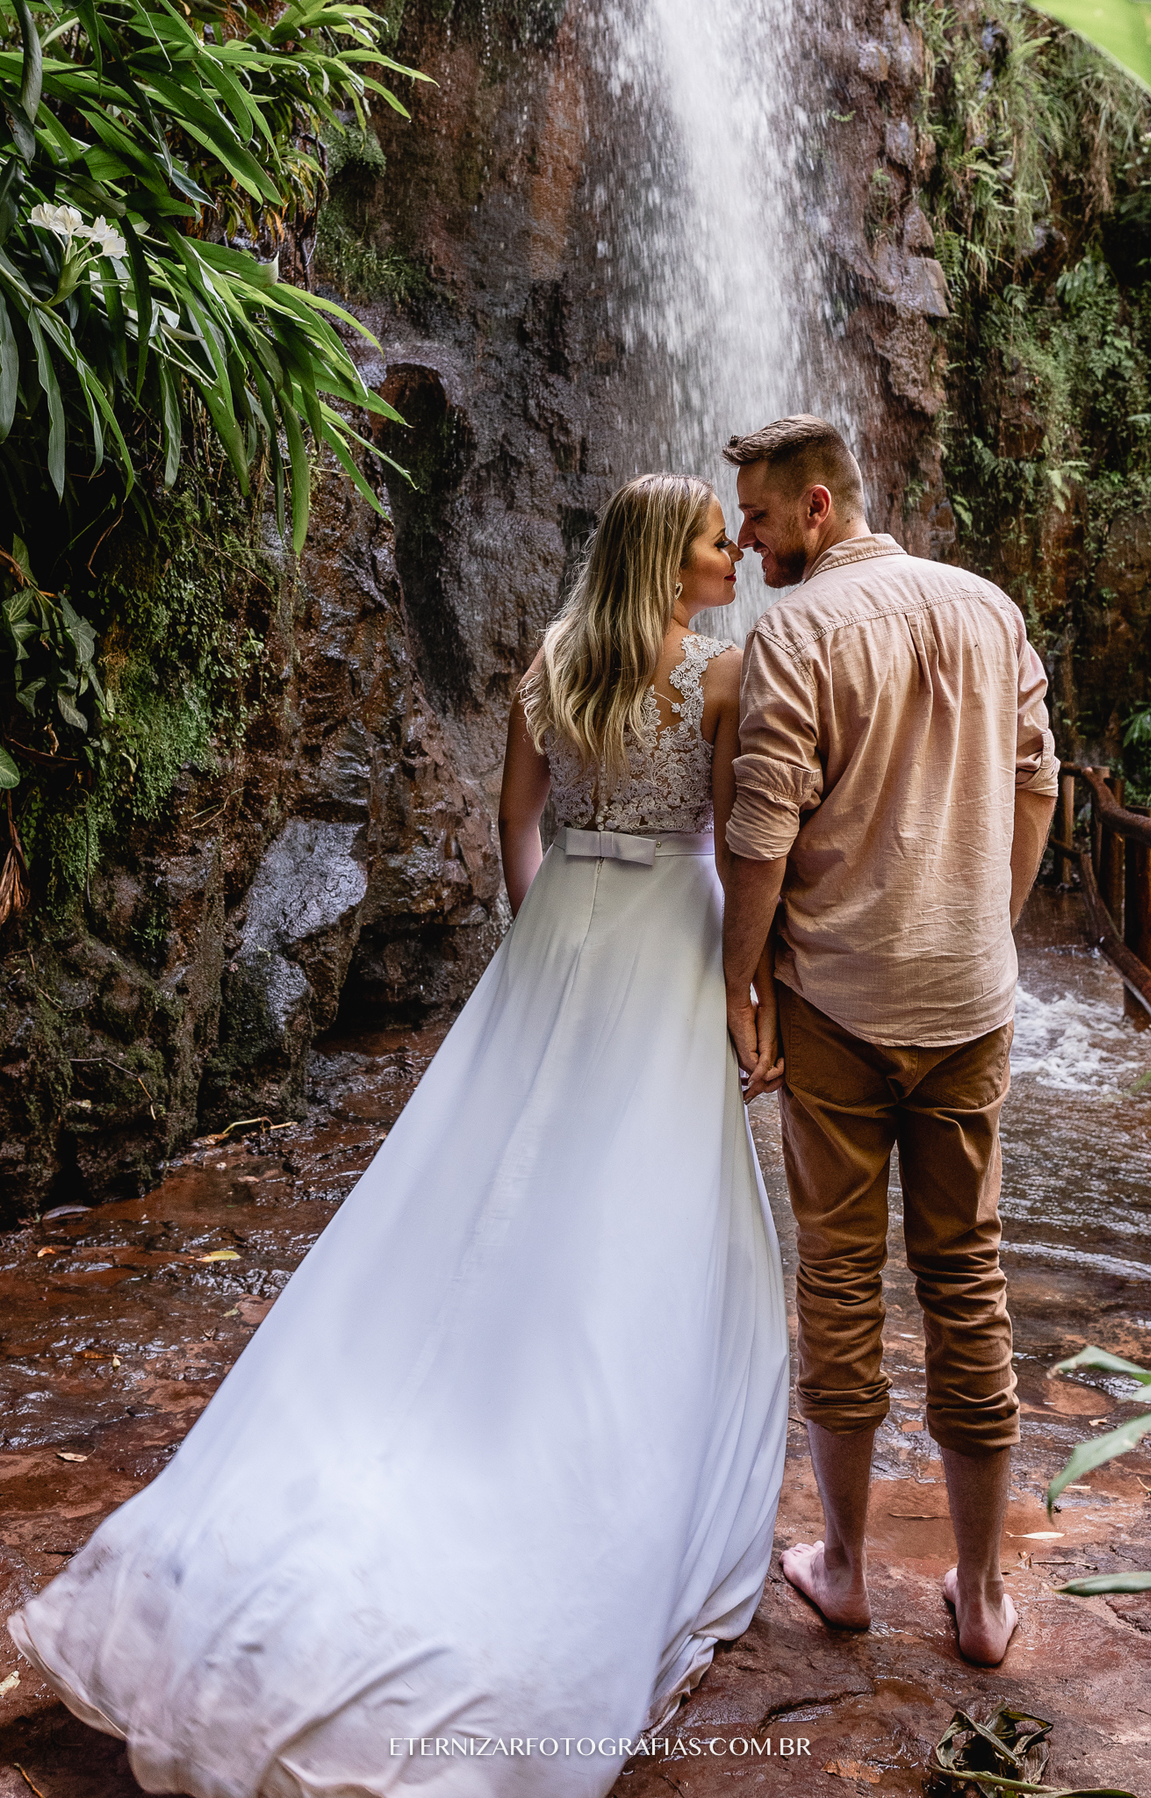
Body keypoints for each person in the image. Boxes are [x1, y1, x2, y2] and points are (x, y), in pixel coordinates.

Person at [8, 474, 790, 1797]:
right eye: (719, 537)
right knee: (647, 1204)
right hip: (668, 936)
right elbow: (736, 837)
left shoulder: (550, 660)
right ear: (668, 558)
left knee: (486, 1178)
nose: (737, 553)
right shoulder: (715, 682)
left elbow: (516, 826)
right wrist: (740, 982)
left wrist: (544, 940)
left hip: (561, 933)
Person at [719, 416, 1058, 1668]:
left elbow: (759, 833)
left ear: (817, 508)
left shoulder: (796, 632)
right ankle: (978, 1595)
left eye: (756, 516)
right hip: (970, 999)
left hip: (838, 1004)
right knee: (968, 1276)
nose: (742, 541)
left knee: (841, 1278)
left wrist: (739, 984)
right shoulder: (989, 606)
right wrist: (987, 917)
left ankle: (849, 1568)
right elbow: (1038, 781)